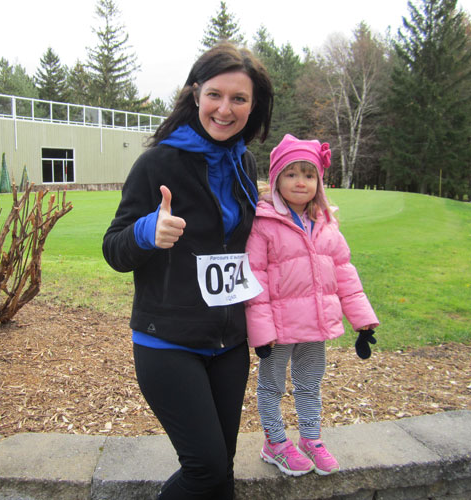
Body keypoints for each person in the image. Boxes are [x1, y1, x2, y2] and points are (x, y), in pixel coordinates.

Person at [102, 42, 273, 500]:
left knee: (220, 474)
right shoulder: (158, 162)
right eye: (216, 94)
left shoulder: (245, 162)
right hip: (168, 341)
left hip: (229, 344)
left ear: (253, 105)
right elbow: (113, 249)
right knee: (205, 470)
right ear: (196, 93)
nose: (225, 108)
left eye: (239, 98)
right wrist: (146, 232)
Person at [245, 134, 379, 477]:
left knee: (309, 383)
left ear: (318, 181)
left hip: (314, 326)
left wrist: (363, 322)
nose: (300, 181)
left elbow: (345, 275)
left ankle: (311, 439)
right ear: (276, 179)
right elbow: (255, 278)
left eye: (308, 174)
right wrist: (261, 332)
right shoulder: (264, 223)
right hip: (278, 329)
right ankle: (274, 441)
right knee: (271, 385)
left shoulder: (326, 224)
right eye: (291, 174)